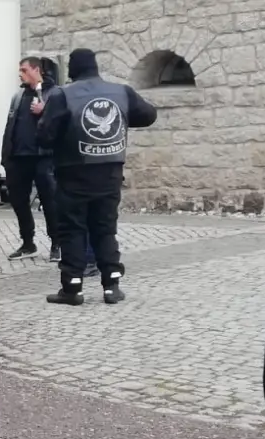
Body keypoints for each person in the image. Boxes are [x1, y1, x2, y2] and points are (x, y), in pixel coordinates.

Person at [38, 48, 157, 305]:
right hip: (109, 173)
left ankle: (72, 288)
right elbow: (149, 115)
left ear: (72, 69)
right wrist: (121, 118)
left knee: (72, 230)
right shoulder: (121, 92)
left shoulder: (62, 95)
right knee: (105, 229)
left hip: (73, 173)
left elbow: (44, 135)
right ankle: (112, 285)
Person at [1, 57, 56, 261]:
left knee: (50, 201)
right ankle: (27, 242)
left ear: (36, 70)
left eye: (24, 70)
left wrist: (45, 111)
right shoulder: (18, 96)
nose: (20, 73)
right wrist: (6, 156)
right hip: (18, 158)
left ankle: (56, 243)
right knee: (19, 202)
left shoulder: (54, 93)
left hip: (43, 157)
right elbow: (10, 126)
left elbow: (62, 122)